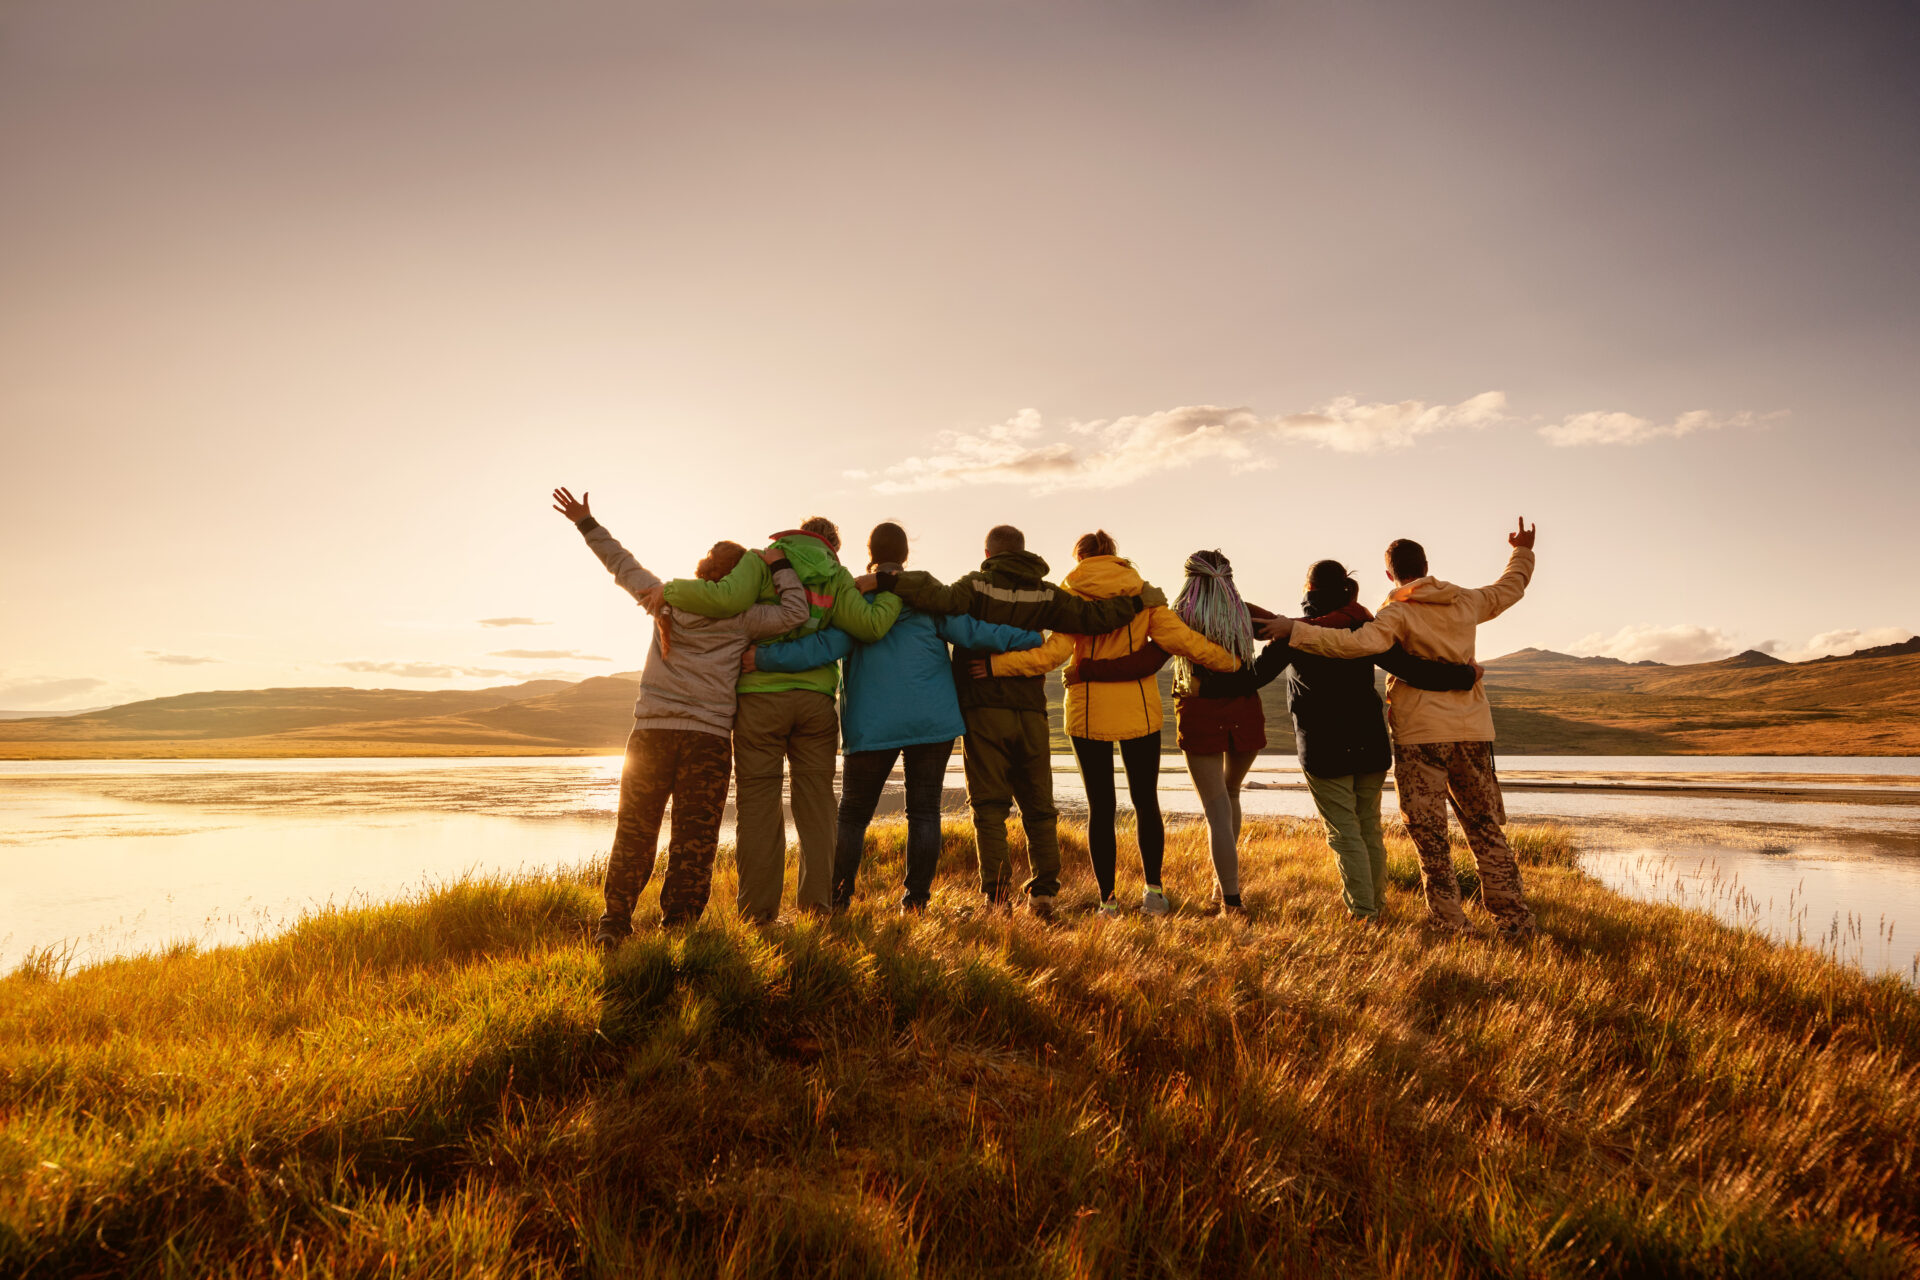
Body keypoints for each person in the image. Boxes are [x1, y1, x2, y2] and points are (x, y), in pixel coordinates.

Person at [1074, 551, 1477, 920]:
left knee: (1233, 809)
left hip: (1256, 730)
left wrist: (1093, 670)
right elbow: (1386, 659)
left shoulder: (1204, 620)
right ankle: (1245, 893)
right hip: (1302, 728)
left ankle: (1247, 900)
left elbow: (1194, 665)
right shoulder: (1295, 620)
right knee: (1259, 802)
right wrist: (1461, 672)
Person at [550, 487, 808, 946]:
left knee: (634, 829)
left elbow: (619, 562)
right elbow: (796, 611)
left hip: (650, 733)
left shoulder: (664, 597)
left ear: (704, 569)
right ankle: (679, 930)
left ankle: (614, 923)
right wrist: (778, 565)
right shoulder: (746, 617)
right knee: (695, 839)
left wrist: (586, 523)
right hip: (706, 740)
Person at [1262, 518, 1540, 938]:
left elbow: (1354, 644)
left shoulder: (1396, 613)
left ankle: (1450, 922)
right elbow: (1511, 588)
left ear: (1390, 574)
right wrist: (1521, 550)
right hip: (1472, 731)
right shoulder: (1467, 601)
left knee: (1430, 835)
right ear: (1427, 565)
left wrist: (1295, 632)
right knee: (1485, 826)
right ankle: (1515, 920)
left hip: (1419, 736)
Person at [746, 522, 1044, 913]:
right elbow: (973, 631)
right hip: (932, 721)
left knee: (853, 815)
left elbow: (823, 647)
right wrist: (1030, 637)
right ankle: (916, 901)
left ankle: (837, 898)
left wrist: (763, 657)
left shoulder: (853, 597)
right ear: (906, 554)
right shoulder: (925, 595)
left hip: (873, 724)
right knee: (924, 812)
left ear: (870, 552)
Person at [888, 525, 1158, 919]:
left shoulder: (975, 585)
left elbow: (937, 597)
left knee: (989, 807)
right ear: (1023, 551)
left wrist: (889, 577)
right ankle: (1045, 894)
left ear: (987, 552)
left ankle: (998, 900)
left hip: (982, 711)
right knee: (1039, 807)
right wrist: (1136, 604)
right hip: (1031, 712)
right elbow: (1092, 617)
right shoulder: (1046, 592)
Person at [979, 531, 1240, 917]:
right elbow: (1185, 641)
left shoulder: (1071, 597)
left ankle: (1108, 900)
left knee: (1101, 808)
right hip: (1140, 712)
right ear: (1116, 556)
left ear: (1080, 557)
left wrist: (996, 665)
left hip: (1087, 713)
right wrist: (1233, 662)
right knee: (1145, 801)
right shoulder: (1144, 595)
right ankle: (1154, 894)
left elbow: (1052, 654)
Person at [657, 517, 903, 924]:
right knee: (818, 806)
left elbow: (723, 601)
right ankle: (817, 909)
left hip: (758, 702)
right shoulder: (837, 575)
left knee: (756, 806)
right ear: (832, 546)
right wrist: (890, 592)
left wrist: (665, 590)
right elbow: (867, 626)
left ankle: (758, 914)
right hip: (814, 705)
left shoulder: (760, 560)